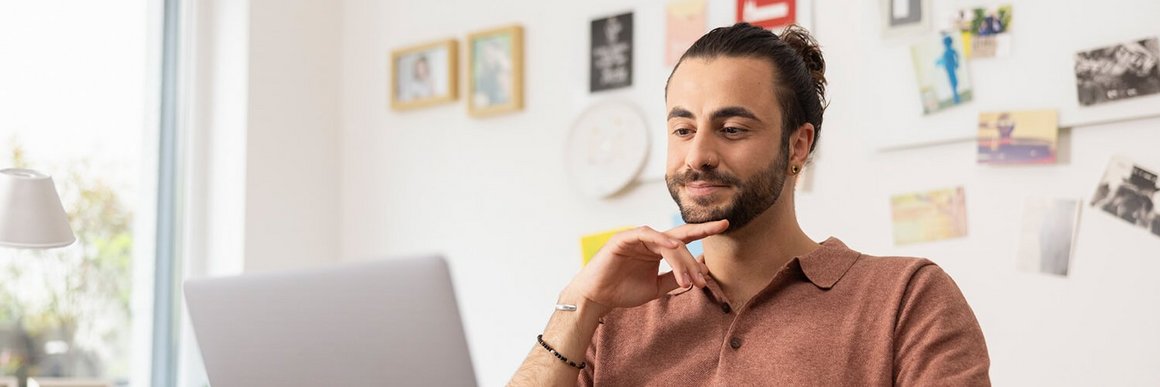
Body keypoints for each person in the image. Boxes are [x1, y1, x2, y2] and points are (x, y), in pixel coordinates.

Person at [509, 23, 990, 386]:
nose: (697, 155)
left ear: (797, 147)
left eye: (732, 129)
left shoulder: (907, 299)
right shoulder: (613, 316)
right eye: (682, 130)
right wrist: (582, 307)